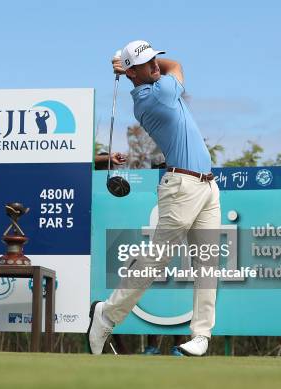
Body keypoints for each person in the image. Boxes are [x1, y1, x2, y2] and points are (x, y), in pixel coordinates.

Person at [88, 40, 220, 357]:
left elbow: (165, 66)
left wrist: (132, 61)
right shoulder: (154, 96)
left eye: (155, 59)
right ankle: (106, 315)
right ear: (134, 73)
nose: (156, 65)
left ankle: (201, 335)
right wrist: (129, 63)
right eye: (148, 64)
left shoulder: (154, 82)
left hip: (207, 186)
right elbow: (178, 67)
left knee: (208, 263)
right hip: (181, 186)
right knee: (157, 258)